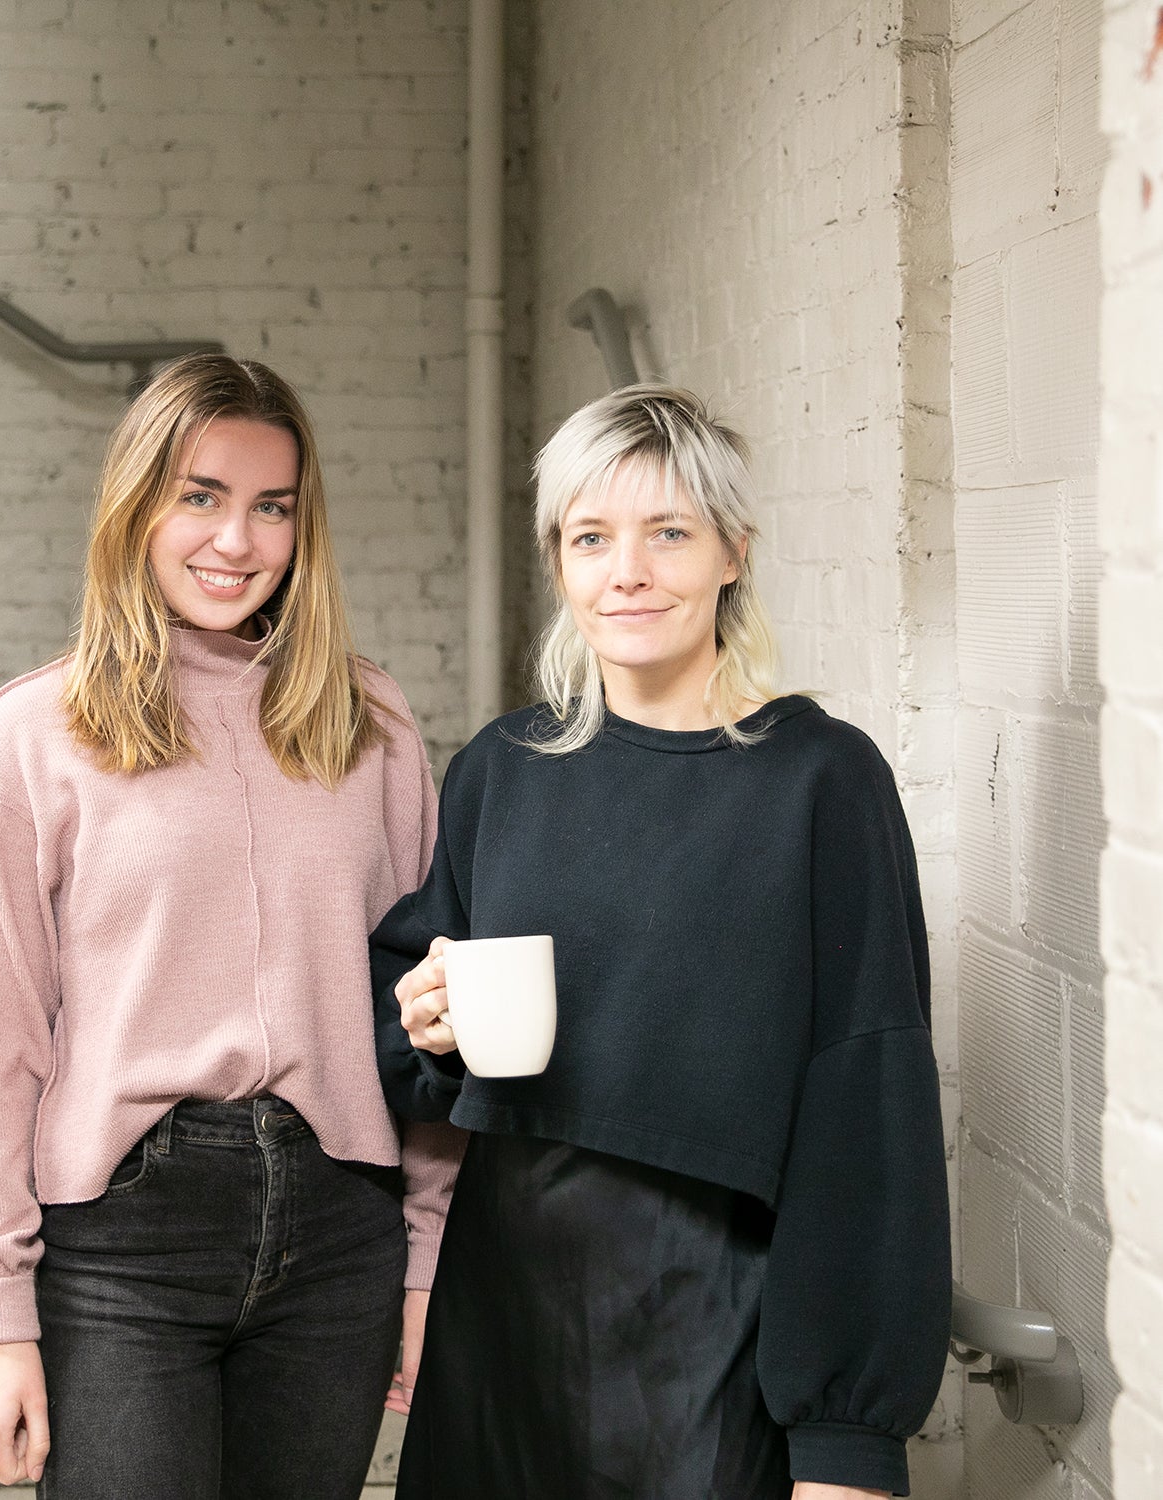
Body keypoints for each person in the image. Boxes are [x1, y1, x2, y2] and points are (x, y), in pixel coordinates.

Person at [371, 384, 951, 1500]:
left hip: (718, 1320)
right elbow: (404, 999)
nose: (626, 571)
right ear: (560, 564)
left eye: (668, 532)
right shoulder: (504, 769)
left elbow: (868, 1103)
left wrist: (847, 1440)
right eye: (592, 538)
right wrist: (425, 1026)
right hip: (504, 1311)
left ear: (734, 551)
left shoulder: (821, 780)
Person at [0, 353, 462, 1500]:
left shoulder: (371, 721)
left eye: (272, 507)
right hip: (123, 1239)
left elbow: (424, 1022)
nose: (237, 541)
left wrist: (428, 1265)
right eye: (201, 496)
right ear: (137, 506)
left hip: (340, 1229)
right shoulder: (37, 733)